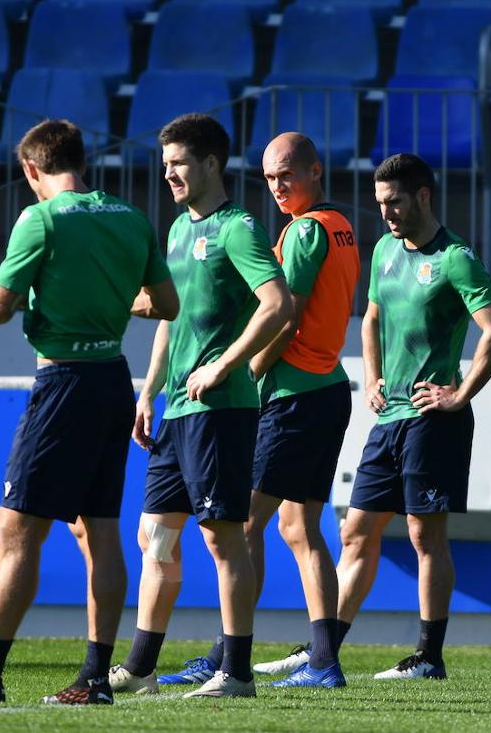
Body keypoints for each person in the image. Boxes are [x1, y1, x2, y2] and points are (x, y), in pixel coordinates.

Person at [0, 119, 178, 706]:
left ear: (32, 169)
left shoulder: (41, 219)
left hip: (62, 382)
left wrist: (24, 291)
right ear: (81, 161)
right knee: (99, 531)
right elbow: (165, 303)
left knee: (15, 530)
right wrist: (108, 298)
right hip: (112, 377)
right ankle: (95, 678)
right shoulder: (130, 217)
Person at [157, 132, 359, 689]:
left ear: (315, 171)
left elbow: (285, 314)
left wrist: (243, 368)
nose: (276, 188)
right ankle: (323, 660)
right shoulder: (342, 227)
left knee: (244, 523)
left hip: (293, 393)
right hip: (329, 388)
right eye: (269, 178)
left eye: (286, 175)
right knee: (301, 528)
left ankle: (229, 657)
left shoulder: (302, 232)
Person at [108, 113, 294, 699]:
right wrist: (148, 390)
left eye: (179, 164)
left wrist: (223, 366)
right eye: (164, 166)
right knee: (155, 537)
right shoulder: (177, 232)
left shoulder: (239, 227)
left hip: (222, 409)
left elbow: (278, 304)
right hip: (177, 412)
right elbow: (170, 318)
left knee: (221, 538)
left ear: (211, 163)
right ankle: (140, 669)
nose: (168, 175)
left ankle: (235, 672)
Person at [335, 153, 491, 680]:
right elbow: (370, 317)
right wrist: (371, 379)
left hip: (432, 419)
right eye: (380, 204)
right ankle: (324, 649)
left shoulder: (456, 256)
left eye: (394, 202)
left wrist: (459, 395)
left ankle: (427, 657)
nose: (386, 213)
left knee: (424, 537)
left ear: (423, 196)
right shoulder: (386, 249)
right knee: (355, 531)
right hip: (388, 418)